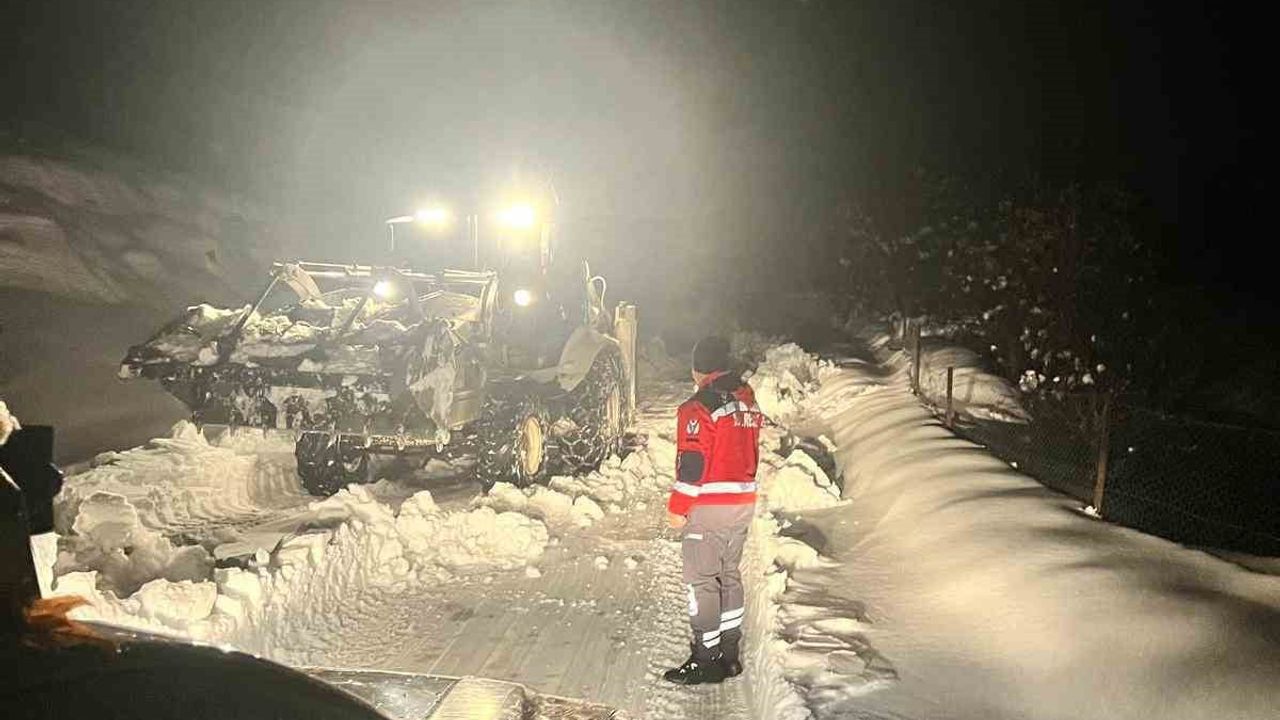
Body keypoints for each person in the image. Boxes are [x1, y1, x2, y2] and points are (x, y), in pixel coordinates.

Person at [662, 336, 762, 685]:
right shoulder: (746, 401)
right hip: (742, 502)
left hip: (710, 506)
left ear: (698, 369)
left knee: (702, 582)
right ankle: (730, 654)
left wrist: (678, 507)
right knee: (729, 575)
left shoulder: (697, 407)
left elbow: (692, 466)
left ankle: (705, 659)